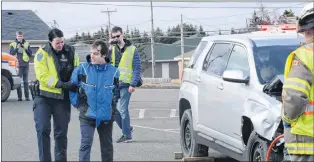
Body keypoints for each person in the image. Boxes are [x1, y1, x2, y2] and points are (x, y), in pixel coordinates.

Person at [31, 28, 79, 161]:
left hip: (62, 99)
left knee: (61, 134)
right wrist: (61, 84)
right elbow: (43, 76)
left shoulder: (71, 52)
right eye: (57, 43)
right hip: (44, 97)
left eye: (62, 42)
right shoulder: (42, 54)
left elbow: (76, 69)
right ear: (50, 41)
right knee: (42, 130)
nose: (61, 45)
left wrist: (75, 82)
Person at [69, 40, 120, 162]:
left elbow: (116, 92)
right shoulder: (82, 69)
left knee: (107, 147)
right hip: (87, 114)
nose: (92, 55)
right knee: (85, 144)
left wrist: (111, 106)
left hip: (106, 115)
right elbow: (72, 87)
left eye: (96, 53)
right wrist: (78, 104)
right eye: (91, 53)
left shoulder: (114, 72)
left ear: (104, 55)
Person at [281, 2, 314, 161]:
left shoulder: (304, 56)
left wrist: (287, 119)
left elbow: (294, 98)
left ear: (308, 28)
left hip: (307, 142)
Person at [109, 26, 142, 143]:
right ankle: (127, 129)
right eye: (114, 37)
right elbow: (105, 62)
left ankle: (126, 135)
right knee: (111, 109)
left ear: (122, 34)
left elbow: (137, 68)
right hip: (114, 84)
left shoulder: (132, 49)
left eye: (118, 36)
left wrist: (133, 84)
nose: (116, 38)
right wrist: (109, 46)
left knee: (122, 109)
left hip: (126, 84)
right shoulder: (112, 49)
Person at [9, 31, 32, 101]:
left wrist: (24, 48)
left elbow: (30, 54)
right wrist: (17, 47)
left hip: (25, 65)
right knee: (18, 81)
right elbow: (11, 54)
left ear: (23, 36)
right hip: (18, 65)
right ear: (16, 36)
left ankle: (27, 97)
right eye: (18, 36)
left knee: (25, 81)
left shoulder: (27, 43)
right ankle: (20, 97)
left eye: (21, 36)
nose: (20, 37)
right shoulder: (13, 44)